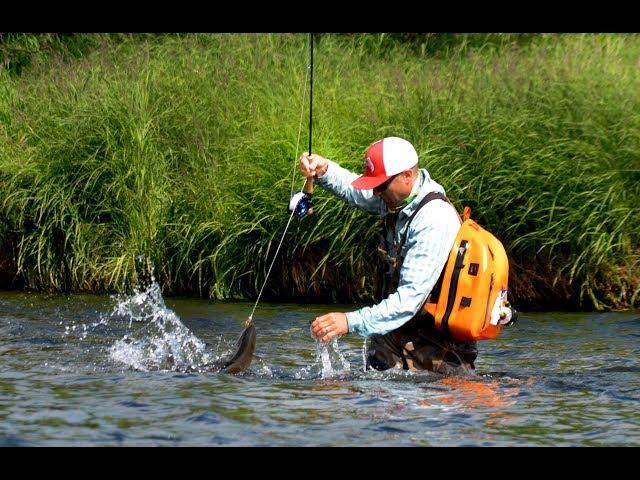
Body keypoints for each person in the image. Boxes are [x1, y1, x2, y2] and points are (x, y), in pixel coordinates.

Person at [300, 136, 478, 374]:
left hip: (436, 350)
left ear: (407, 175)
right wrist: (324, 170)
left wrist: (349, 322)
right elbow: (356, 192)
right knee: (374, 403)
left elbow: (409, 301)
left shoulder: (433, 219)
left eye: (381, 185)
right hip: (395, 334)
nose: (375, 191)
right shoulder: (397, 197)